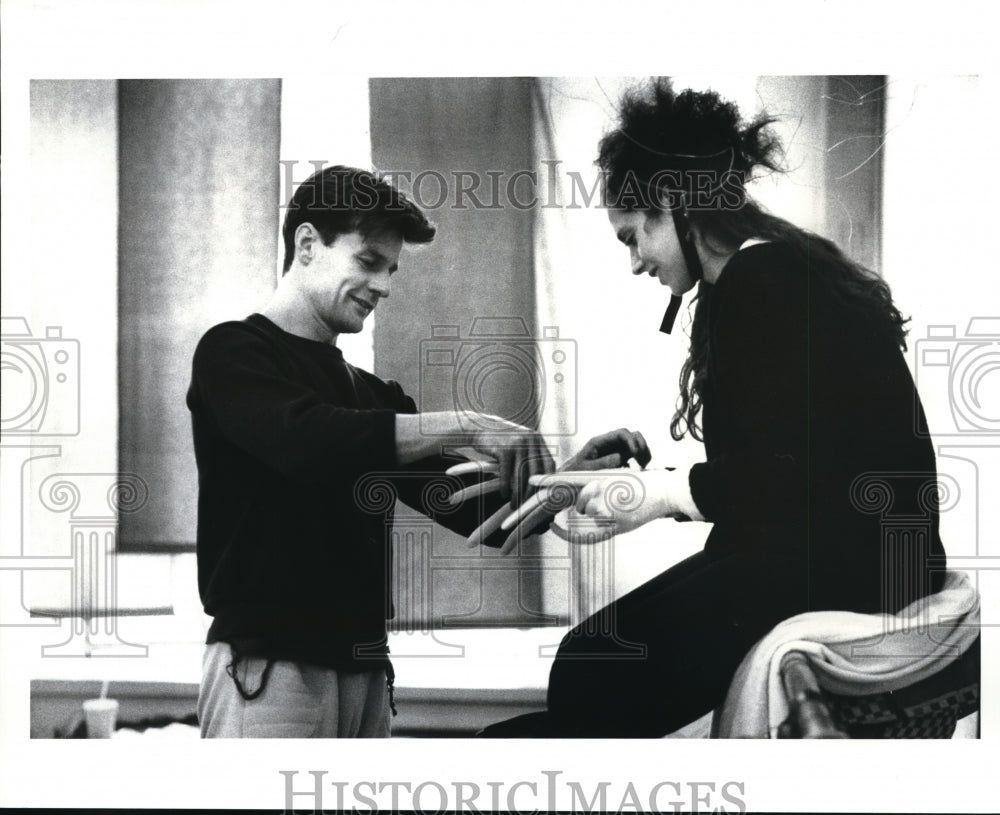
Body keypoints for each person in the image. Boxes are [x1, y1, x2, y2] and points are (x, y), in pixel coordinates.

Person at [484, 78, 948, 737]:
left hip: (843, 572)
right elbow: (787, 465)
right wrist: (644, 494)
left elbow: (784, 480)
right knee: (588, 664)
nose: (636, 260)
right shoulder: (783, 271)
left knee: (591, 663)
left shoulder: (762, 283)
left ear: (671, 200)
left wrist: (655, 493)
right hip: (859, 563)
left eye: (631, 236)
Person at [187, 165, 557, 737]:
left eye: (391, 270)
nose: (384, 286)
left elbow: (479, 511)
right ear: (307, 244)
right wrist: (469, 423)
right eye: (368, 262)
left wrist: (574, 479)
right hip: (269, 671)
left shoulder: (373, 396)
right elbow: (309, 442)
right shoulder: (232, 354)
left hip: (366, 675)